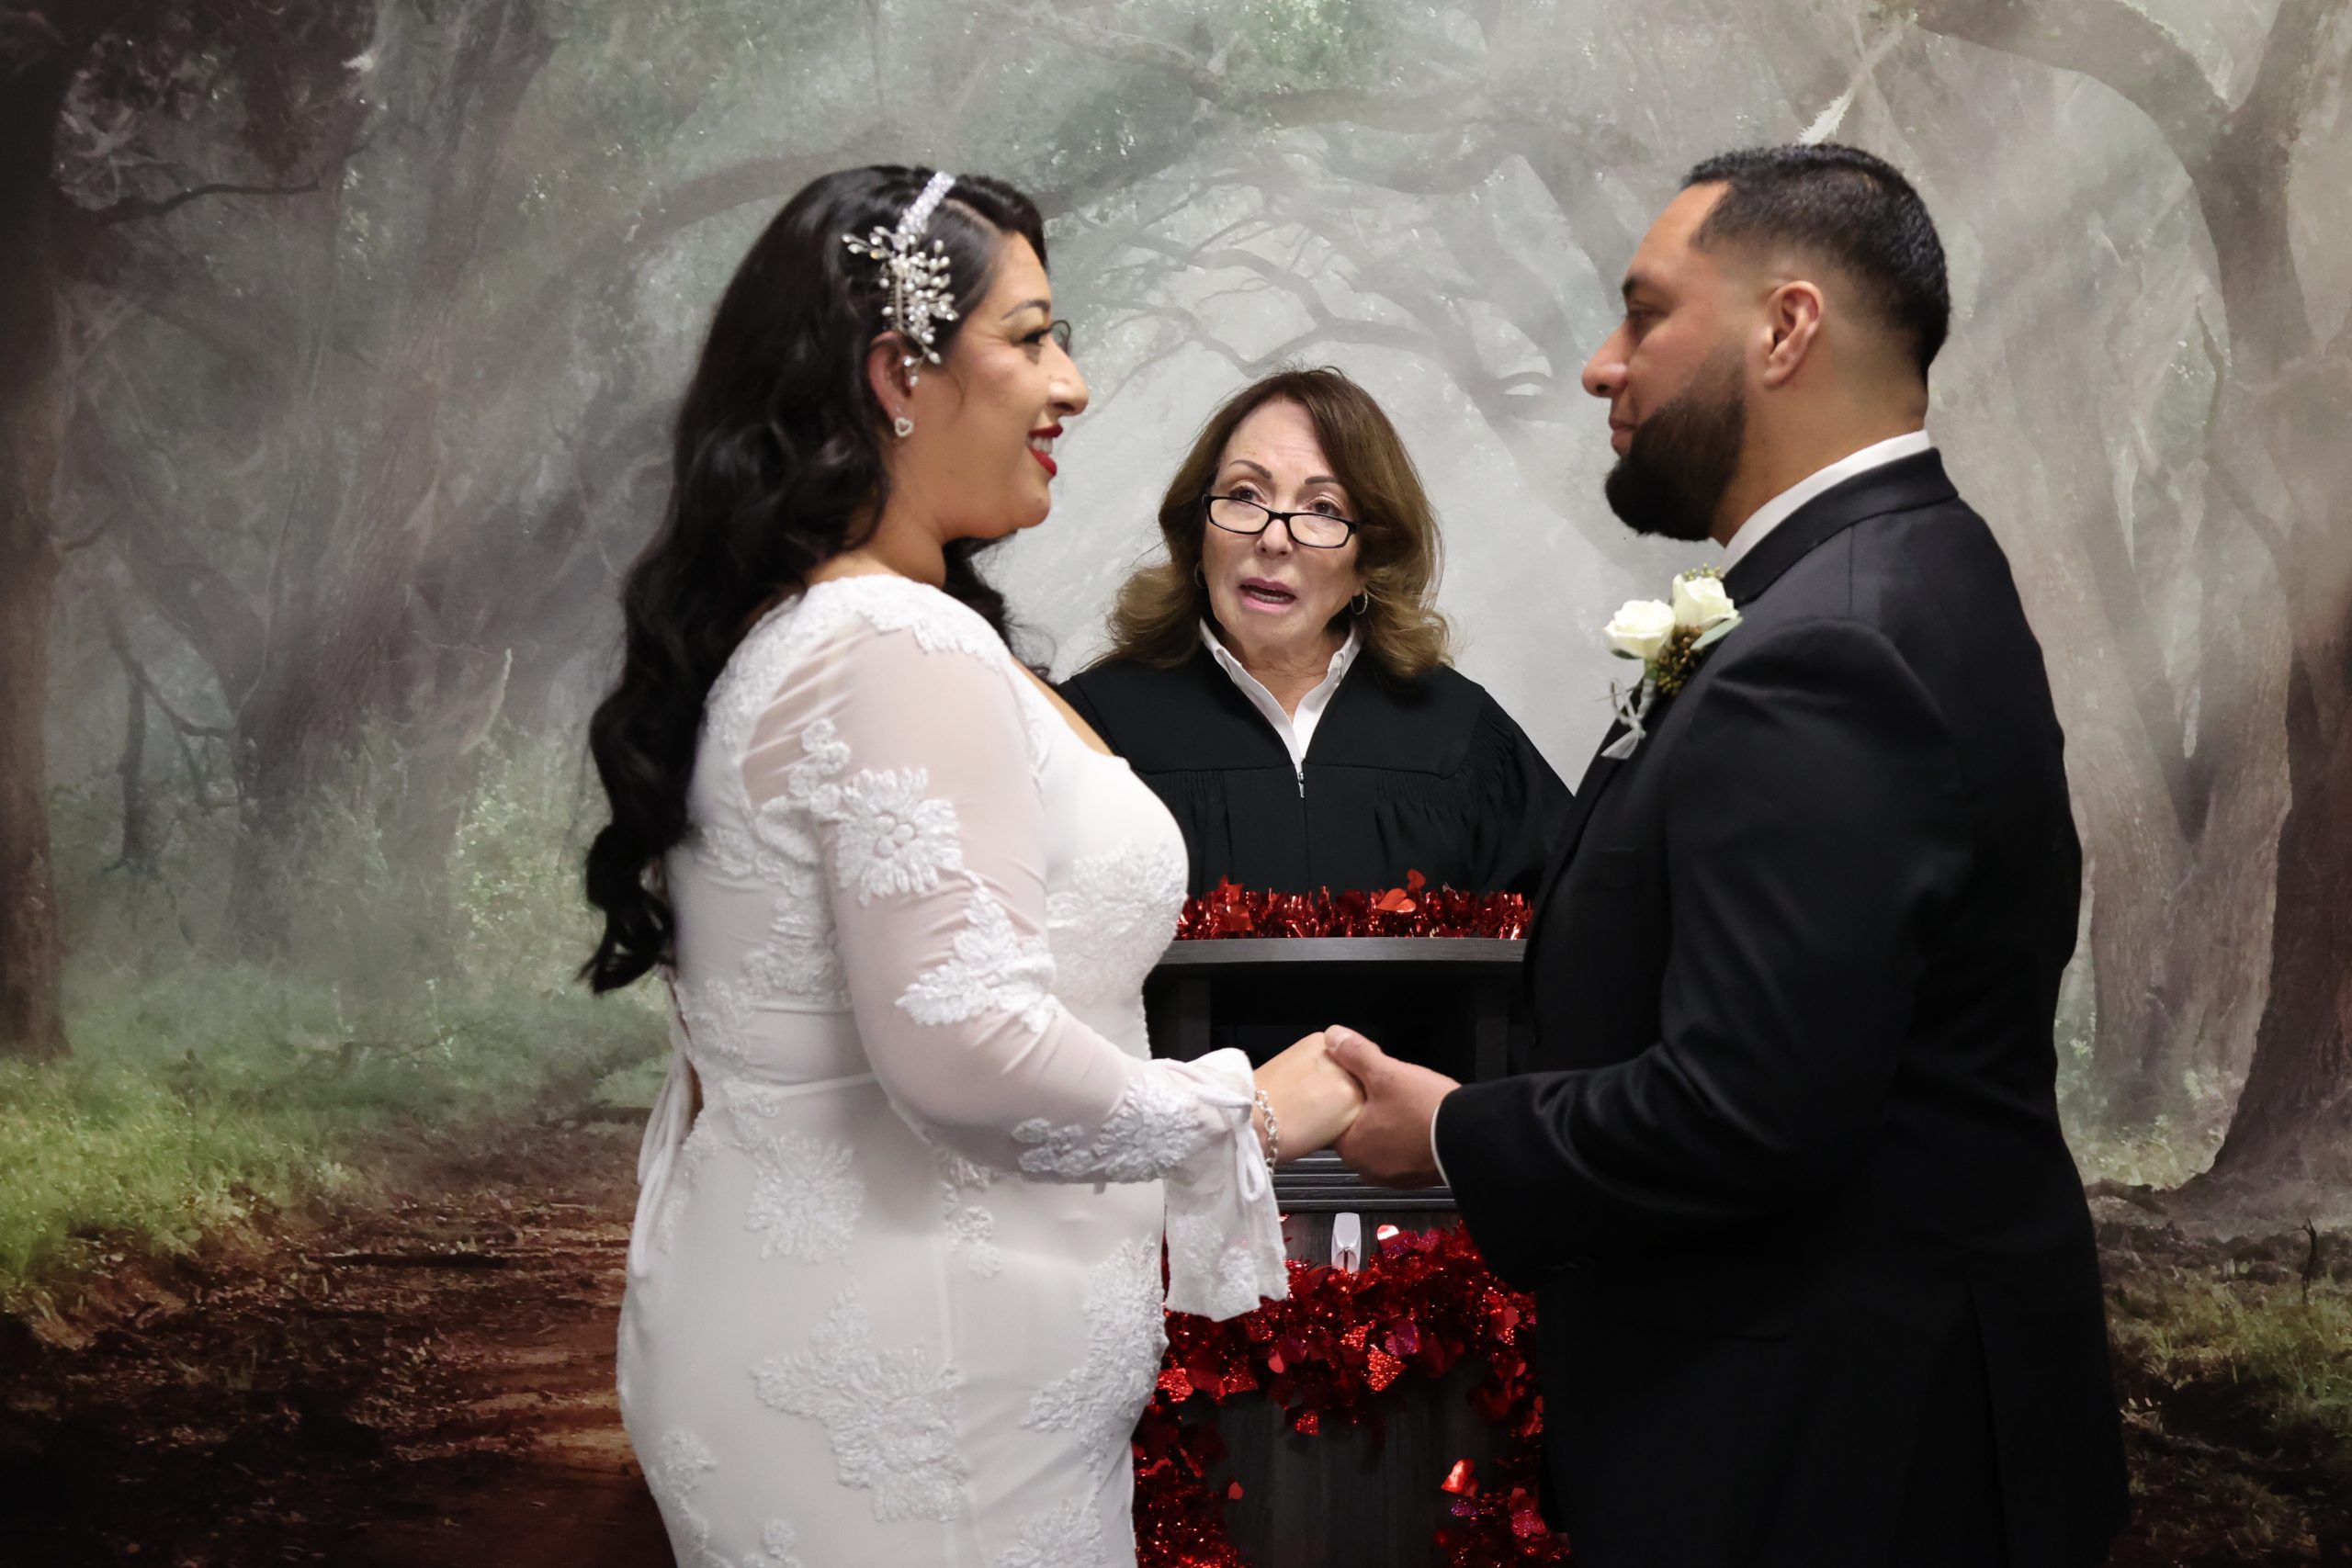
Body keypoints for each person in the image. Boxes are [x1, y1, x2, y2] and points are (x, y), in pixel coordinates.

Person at [1329, 145, 2130, 1565]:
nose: (1600, 363)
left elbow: (1749, 1107)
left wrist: (1457, 1131)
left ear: (1785, 327)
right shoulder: (1900, 569)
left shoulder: (1827, 639)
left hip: (1836, 1458)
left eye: (1644, 313)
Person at [580, 166, 1362, 1568]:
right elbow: (960, 1043)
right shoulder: (891, 640)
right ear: (898, 374)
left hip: (896, 1372)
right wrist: (1236, 1113)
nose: (1072, 383)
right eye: (1033, 336)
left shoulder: (821, 628)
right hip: (924, 1421)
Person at [1058, 367, 1566, 903]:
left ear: (1371, 558)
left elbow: (1568, 940)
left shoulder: (1460, 737)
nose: (1274, 538)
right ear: (1196, 528)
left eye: (1324, 509)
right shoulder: (1093, 730)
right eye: (1245, 493)